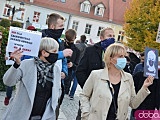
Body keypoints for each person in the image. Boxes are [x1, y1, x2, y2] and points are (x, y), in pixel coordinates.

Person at [80, 43, 154, 120]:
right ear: (110, 59)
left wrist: (144, 87)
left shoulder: (128, 78)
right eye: (120, 56)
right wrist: (86, 113)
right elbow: (84, 95)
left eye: (124, 56)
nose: (124, 59)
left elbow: (133, 104)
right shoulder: (96, 75)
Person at [2, 37, 61, 120]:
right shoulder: (27, 64)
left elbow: (56, 93)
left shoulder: (56, 69)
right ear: (44, 52)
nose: (57, 54)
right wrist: (16, 64)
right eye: (54, 51)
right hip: (21, 114)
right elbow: (8, 81)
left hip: (43, 116)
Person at [76, 27, 115, 120]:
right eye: (109, 36)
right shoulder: (91, 51)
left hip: (108, 99)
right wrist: (88, 88)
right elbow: (80, 71)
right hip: (91, 97)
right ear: (101, 38)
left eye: (113, 36)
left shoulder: (116, 54)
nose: (112, 38)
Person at [41, 13, 73, 119]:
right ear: (52, 26)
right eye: (60, 26)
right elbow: (43, 56)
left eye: (63, 26)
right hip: (43, 84)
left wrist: (65, 71)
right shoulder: (41, 38)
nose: (62, 29)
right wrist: (61, 54)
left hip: (58, 85)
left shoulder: (60, 41)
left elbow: (64, 61)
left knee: (54, 113)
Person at [4, 25, 37, 106]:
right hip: (17, 64)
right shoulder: (20, 40)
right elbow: (10, 50)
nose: (32, 32)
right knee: (11, 81)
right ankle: (8, 96)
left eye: (34, 31)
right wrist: (8, 57)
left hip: (27, 66)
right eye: (31, 31)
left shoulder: (34, 43)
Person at [63, 29, 80, 100]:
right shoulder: (60, 46)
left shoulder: (76, 50)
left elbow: (77, 65)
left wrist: (72, 65)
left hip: (68, 75)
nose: (70, 42)